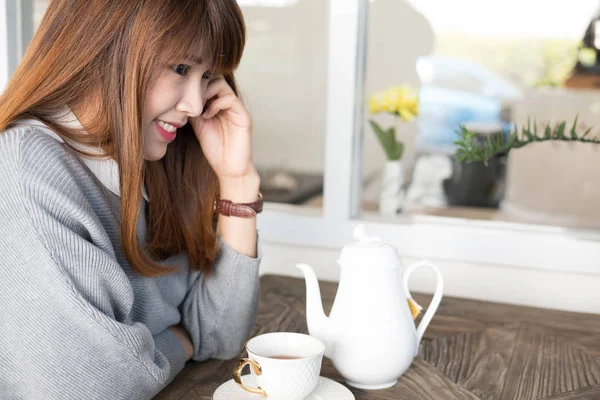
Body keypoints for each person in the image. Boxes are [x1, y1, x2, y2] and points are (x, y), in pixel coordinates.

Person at [0, 1, 263, 398]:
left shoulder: (158, 158)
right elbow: (90, 386)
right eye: (180, 69)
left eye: (207, 75)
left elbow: (219, 334)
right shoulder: (26, 166)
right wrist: (181, 341)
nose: (194, 105)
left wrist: (237, 180)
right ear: (104, 44)